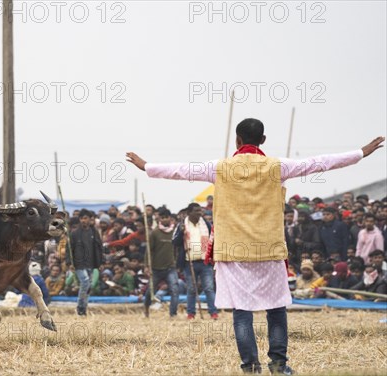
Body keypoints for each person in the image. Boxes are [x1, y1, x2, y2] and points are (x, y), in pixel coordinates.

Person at [127, 118, 384, 374]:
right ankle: (279, 363)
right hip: (268, 248)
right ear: (263, 140)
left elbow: (182, 170)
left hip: (232, 250)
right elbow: (319, 163)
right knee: (275, 308)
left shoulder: (220, 168)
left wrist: (147, 166)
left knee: (242, 311)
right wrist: (360, 153)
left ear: (237, 141)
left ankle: (250, 366)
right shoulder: (277, 166)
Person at [178, 203, 217, 319]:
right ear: (189, 212)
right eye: (196, 211)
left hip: (205, 262)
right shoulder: (182, 225)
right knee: (191, 289)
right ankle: (191, 313)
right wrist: (181, 233)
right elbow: (175, 242)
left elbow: (213, 240)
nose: (199, 213)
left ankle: (213, 313)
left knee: (209, 288)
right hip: (189, 262)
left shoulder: (206, 224)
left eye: (200, 211)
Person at [143, 207, 179, 318]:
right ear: (159, 219)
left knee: (175, 290)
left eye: (166, 217)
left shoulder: (175, 232)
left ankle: (173, 314)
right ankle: (146, 309)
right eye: (162, 218)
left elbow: (177, 249)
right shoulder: (155, 233)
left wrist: (176, 262)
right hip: (156, 268)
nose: (164, 220)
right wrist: (146, 266)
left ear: (170, 218)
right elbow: (149, 251)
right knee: (150, 292)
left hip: (170, 268)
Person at [66, 209, 103, 315]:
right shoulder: (74, 234)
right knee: (85, 282)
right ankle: (80, 307)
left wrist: (100, 263)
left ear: (90, 219)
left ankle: (84, 307)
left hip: (91, 263)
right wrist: (70, 263)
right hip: (79, 263)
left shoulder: (94, 232)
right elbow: (69, 249)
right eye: (81, 218)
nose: (83, 220)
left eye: (85, 218)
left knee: (88, 286)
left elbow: (99, 248)